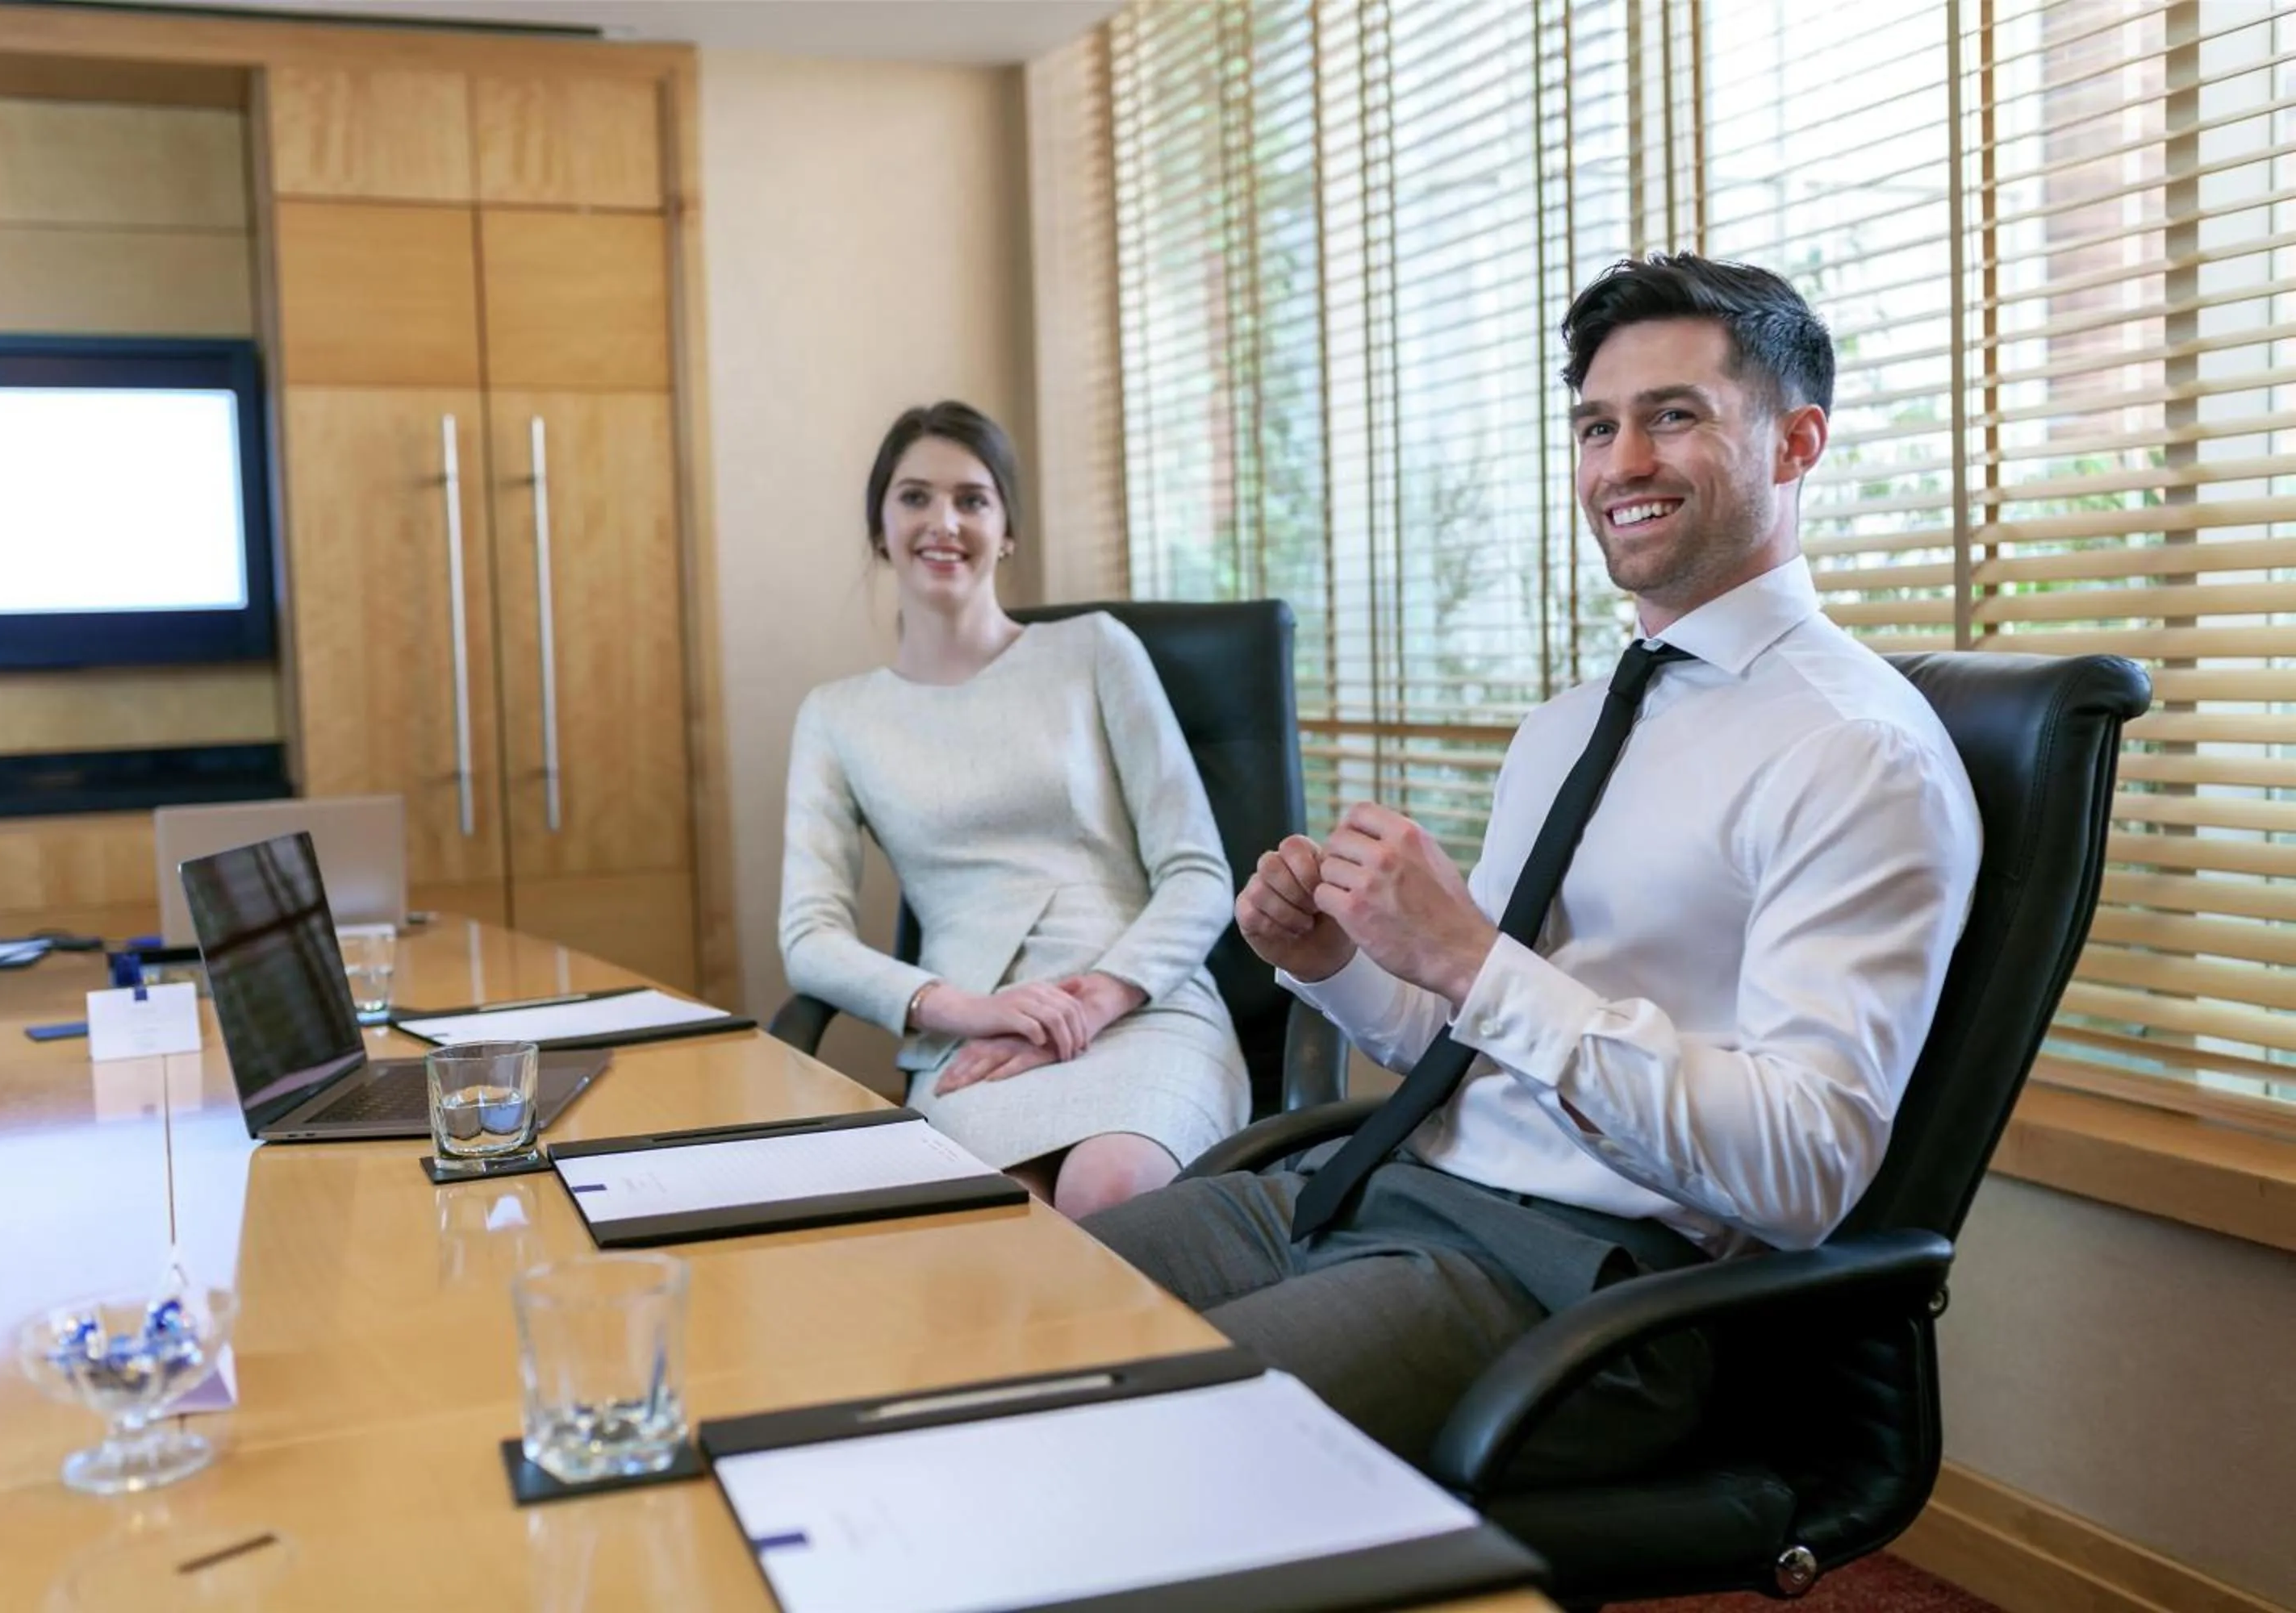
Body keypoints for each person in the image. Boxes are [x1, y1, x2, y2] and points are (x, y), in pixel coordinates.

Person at [1083, 254, 1984, 1481]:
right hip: (1374, 1190)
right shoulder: (1568, 724)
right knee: (1001, 1324)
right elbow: (1472, 1043)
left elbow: (1803, 1168)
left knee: (1137, 1448)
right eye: (1598, 427)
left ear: (1796, 444)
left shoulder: (1856, 751)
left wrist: (1469, 954)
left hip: (1576, 1280)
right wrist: (1340, 963)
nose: (1622, 464)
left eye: (1675, 416)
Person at [779, 402, 1251, 1219]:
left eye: (973, 498)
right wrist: (964, 1009)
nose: (944, 521)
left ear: (1006, 531)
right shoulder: (837, 715)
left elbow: (1199, 871)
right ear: (879, 529)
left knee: (1106, 1191)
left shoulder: (1096, 649)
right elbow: (809, 937)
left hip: (1141, 1006)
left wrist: (1097, 996)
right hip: (977, 1035)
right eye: (915, 496)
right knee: (1004, 1230)